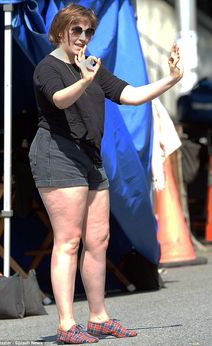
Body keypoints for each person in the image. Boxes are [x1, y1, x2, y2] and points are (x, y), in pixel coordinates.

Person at [29, 3, 183, 344]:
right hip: (57, 155)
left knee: (98, 239)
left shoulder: (92, 68)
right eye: (76, 31)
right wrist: (84, 80)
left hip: (89, 156)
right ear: (59, 32)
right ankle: (67, 324)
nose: (83, 37)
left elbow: (130, 95)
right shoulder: (47, 67)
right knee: (68, 241)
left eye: (88, 32)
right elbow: (59, 100)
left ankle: (98, 317)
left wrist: (172, 79)